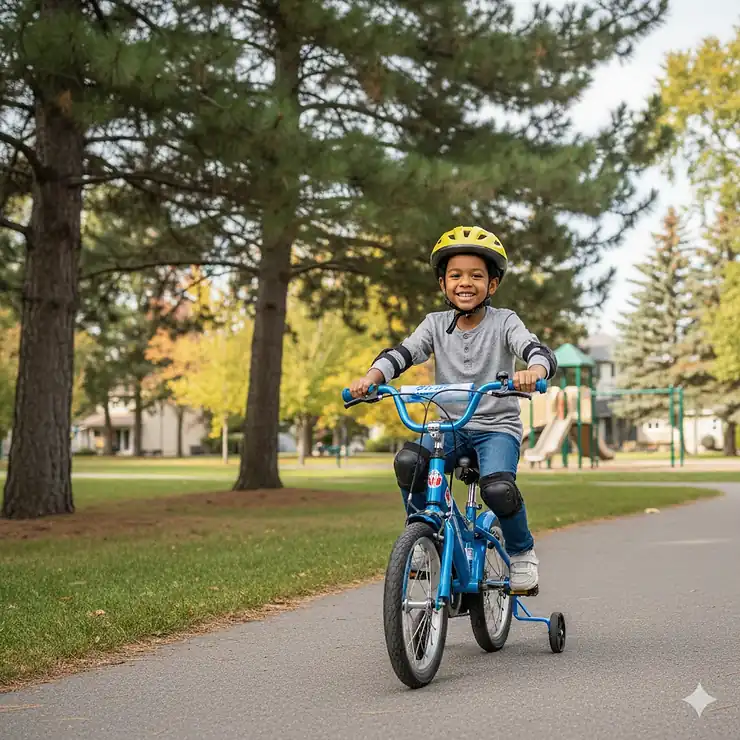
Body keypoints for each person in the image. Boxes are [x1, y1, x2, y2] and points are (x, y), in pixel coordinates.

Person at [348, 226, 557, 591]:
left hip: (496, 427)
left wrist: (533, 372)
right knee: (410, 463)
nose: (466, 283)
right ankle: (421, 534)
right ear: (443, 283)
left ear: (492, 285)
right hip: (448, 427)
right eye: (456, 275)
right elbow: (404, 352)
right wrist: (371, 377)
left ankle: (522, 552)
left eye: (477, 276)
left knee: (498, 490)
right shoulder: (434, 324)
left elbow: (533, 349)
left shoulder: (505, 321)